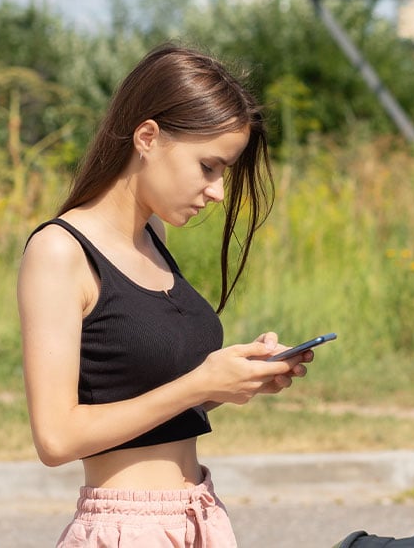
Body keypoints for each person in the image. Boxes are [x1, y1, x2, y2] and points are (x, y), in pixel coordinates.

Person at [17, 43, 310, 547]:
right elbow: (56, 437)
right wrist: (200, 384)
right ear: (147, 137)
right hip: (125, 529)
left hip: (197, 516)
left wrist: (234, 382)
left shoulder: (153, 236)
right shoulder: (60, 252)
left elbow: (144, 405)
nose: (218, 191)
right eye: (209, 167)